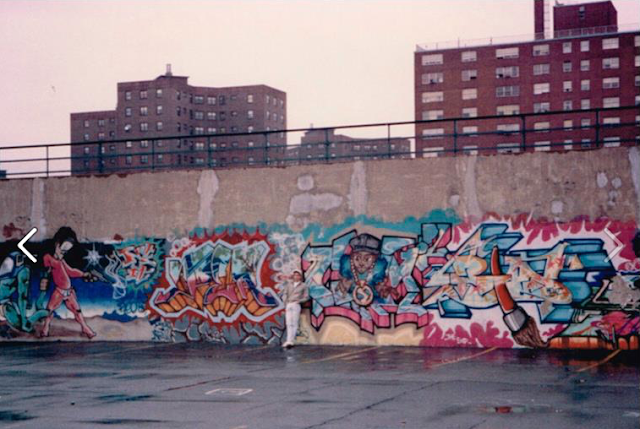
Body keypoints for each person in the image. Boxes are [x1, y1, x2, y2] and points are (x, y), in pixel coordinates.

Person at [40, 227, 97, 339]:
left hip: (68, 291)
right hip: (59, 291)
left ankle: (85, 329)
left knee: (77, 310)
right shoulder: (49, 258)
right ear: (57, 244)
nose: (64, 253)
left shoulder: (62, 261)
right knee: (50, 310)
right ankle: (45, 328)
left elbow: (70, 271)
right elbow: (47, 269)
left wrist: (83, 274)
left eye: (66, 251)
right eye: (63, 249)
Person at [281, 270, 308, 349]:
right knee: (288, 322)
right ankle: (289, 340)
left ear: (300, 276)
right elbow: (285, 293)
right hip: (289, 304)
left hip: (296, 304)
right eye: (295, 275)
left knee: (294, 322)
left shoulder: (303, 285)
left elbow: (306, 296)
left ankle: (290, 341)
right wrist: (285, 302)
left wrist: (299, 301)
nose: (296, 276)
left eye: (298, 275)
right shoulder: (289, 284)